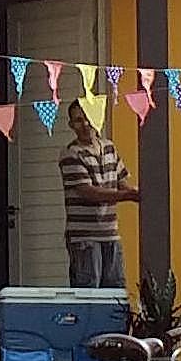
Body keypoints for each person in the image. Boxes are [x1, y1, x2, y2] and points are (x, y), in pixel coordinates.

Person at [59, 100, 137, 290]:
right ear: (71, 125)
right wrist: (128, 196)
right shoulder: (71, 154)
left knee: (116, 289)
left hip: (110, 233)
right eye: (78, 120)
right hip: (84, 238)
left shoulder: (109, 147)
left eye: (88, 117)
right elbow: (89, 192)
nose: (85, 124)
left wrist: (140, 192)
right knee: (88, 291)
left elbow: (121, 182)